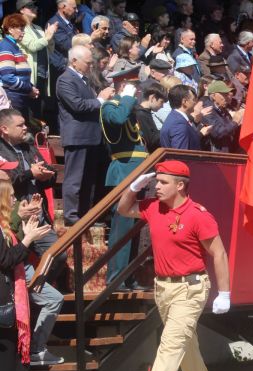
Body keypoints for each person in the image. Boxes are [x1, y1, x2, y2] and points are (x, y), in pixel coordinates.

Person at [118, 160, 230, 371]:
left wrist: (224, 292)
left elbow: (219, 253)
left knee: (170, 343)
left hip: (190, 288)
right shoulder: (154, 208)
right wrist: (133, 188)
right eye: (156, 182)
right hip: (163, 288)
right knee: (185, 347)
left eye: (162, 182)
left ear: (180, 185)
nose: (156, 187)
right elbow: (123, 209)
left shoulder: (198, 214)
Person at [0, 175, 53, 371]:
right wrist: (27, 239)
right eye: (10, 195)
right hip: (2, 299)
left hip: (6, 297)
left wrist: (25, 231)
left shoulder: (4, 226)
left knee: (5, 355)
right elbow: (6, 260)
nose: (14, 199)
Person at [100, 71, 149, 287]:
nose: (137, 91)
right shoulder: (110, 106)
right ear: (123, 87)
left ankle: (129, 277)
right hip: (123, 171)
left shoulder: (132, 110)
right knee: (122, 230)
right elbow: (117, 120)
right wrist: (126, 97)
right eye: (133, 87)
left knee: (135, 230)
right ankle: (116, 280)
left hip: (140, 171)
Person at [57, 45, 115, 226]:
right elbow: (77, 105)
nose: (91, 66)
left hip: (91, 137)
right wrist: (100, 100)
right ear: (74, 61)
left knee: (87, 180)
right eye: (88, 63)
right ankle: (71, 216)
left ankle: (83, 214)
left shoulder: (84, 80)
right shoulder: (65, 79)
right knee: (74, 179)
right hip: (77, 137)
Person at [0, 14, 39, 118]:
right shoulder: (6, 47)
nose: (23, 32)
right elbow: (8, 77)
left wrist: (30, 87)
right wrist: (28, 88)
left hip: (19, 97)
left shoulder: (14, 47)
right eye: (21, 29)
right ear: (11, 29)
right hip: (12, 98)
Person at [18, 0, 57, 103]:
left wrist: (51, 37)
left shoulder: (38, 28)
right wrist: (48, 37)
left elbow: (50, 49)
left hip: (43, 74)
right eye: (31, 6)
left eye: (35, 6)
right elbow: (33, 46)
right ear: (22, 10)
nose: (35, 8)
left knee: (39, 111)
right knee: (31, 109)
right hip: (30, 76)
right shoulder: (19, 28)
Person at [160, 84, 209, 150]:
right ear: (184, 102)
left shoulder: (176, 118)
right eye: (193, 100)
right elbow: (181, 154)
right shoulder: (178, 125)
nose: (195, 103)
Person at [202, 80, 243, 153]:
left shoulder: (222, 110)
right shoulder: (207, 110)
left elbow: (230, 130)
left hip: (227, 152)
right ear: (214, 96)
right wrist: (235, 121)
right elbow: (218, 132)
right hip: (216, 157)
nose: (227, 97)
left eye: (228, 94)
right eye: (224, 94)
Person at [47, 0, 78, 87]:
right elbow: (68, 45)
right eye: (74, 8)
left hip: (69, 66)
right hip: (61, 69)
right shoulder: (55, 24)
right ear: (63, 7)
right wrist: (90, 39)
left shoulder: (69, 23)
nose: (76, 11)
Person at [134, 82, 166, 152]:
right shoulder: (141, 114)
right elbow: (150, 140)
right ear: (152, 98)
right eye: (161, 102)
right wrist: (167, 130)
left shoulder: (145, 112)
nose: (162, 106)